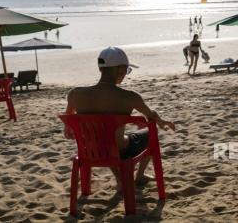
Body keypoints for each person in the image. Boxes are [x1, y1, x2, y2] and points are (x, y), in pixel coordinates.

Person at [63, 47, 175, 188]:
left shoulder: (74, 94)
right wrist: (161, 121)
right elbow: (151, 116)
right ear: (120, 70)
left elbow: (68, 121)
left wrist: (68, 128)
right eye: (127, 70)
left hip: (90, 150)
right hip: (119, 150)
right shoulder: (130, 97)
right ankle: (139, 176)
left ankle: (120, 179)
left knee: (104, 136)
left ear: (101, 69)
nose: (125, 74)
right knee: (149, 133)